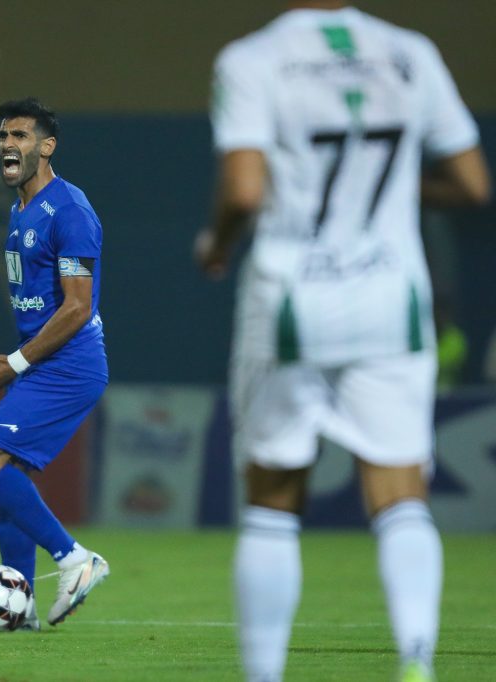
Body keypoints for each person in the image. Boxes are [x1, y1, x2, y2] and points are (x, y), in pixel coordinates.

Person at [196, 2, 490, 681]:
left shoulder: (254, 59)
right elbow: (473, 182)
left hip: (293, 299)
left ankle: (263, 674)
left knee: (272, 502)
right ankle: (416, 659)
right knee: (402, 495)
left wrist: (216, 244)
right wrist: (394, 191)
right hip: (392, 298)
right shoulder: (410, 52)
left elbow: (244, 190)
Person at [0, 98, 110, 631]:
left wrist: (17, 363)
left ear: (47, 147)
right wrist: (18, 358)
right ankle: (19, 609)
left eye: (20, 136)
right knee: (9, 480)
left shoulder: (69, 211)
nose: (7, 143)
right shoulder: (20, 210)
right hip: (43, 360)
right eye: (4, 135)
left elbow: (77, 307)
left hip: (70, 365)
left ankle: (74, 559)